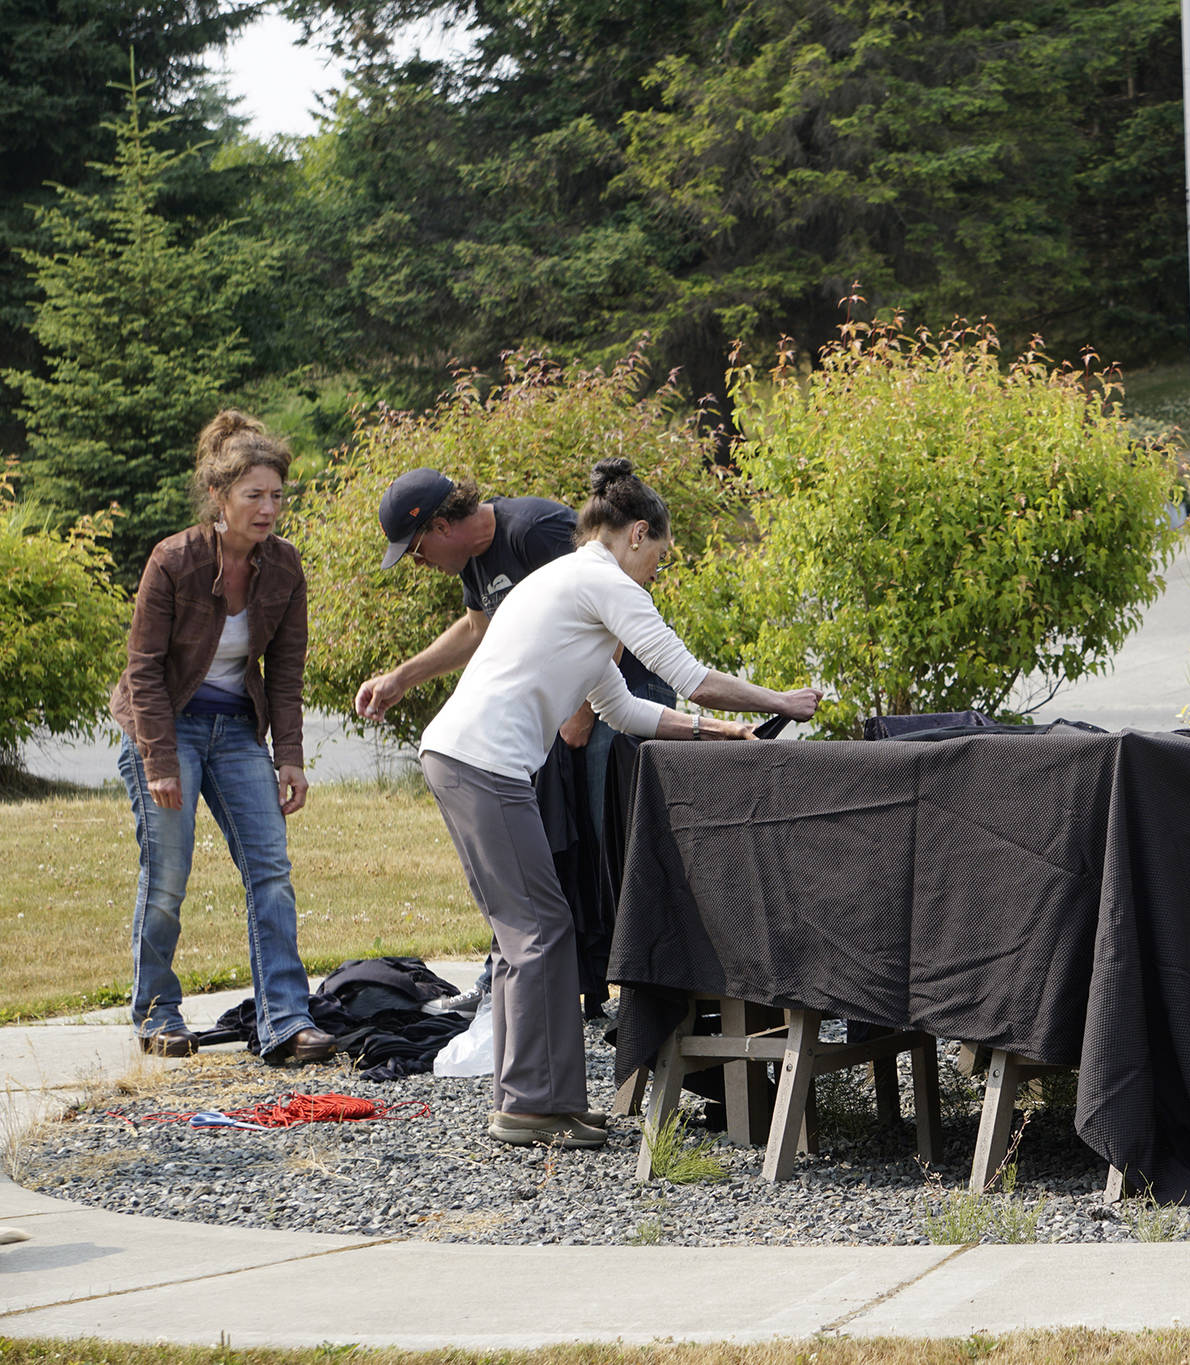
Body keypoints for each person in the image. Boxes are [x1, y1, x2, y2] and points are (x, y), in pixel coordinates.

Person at [414, 457, 819, 1147]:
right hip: (482, 765)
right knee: (541, 931)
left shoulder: (573, 585)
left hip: (459, 758)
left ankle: (533, 1099)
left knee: (530, 932)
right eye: (660, 553)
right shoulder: (605, 581)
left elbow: (623, 709)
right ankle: (532, 1106)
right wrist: (781, 700)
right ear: (637, 533)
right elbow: (689, 676)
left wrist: (720, 730)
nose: (659, 568)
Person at [356, 469, 672, 1016]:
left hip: (621, 689)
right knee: (538, 838)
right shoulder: (475, 561)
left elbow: (606, 606)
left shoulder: (534, 526)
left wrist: (579, 716)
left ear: (439, 525)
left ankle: (636, 975)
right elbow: (478, 629)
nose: (419, 562)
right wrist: (402, 677)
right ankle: (518, 970)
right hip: (573, 700)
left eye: (416, 549)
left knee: (600, 831)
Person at [109, 412, 338, 1065]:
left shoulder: (285, 567)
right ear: (219, 497)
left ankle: (287, 1021)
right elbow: (144, 670)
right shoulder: (173, 560)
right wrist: (157, 759)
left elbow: (285, 672)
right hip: (165, 724)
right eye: (253, 495)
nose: (268, 509)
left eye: (276, 496)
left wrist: (288, 756)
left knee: (271, 870)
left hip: (237, 729)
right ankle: (158, 1013)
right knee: (168, 873)